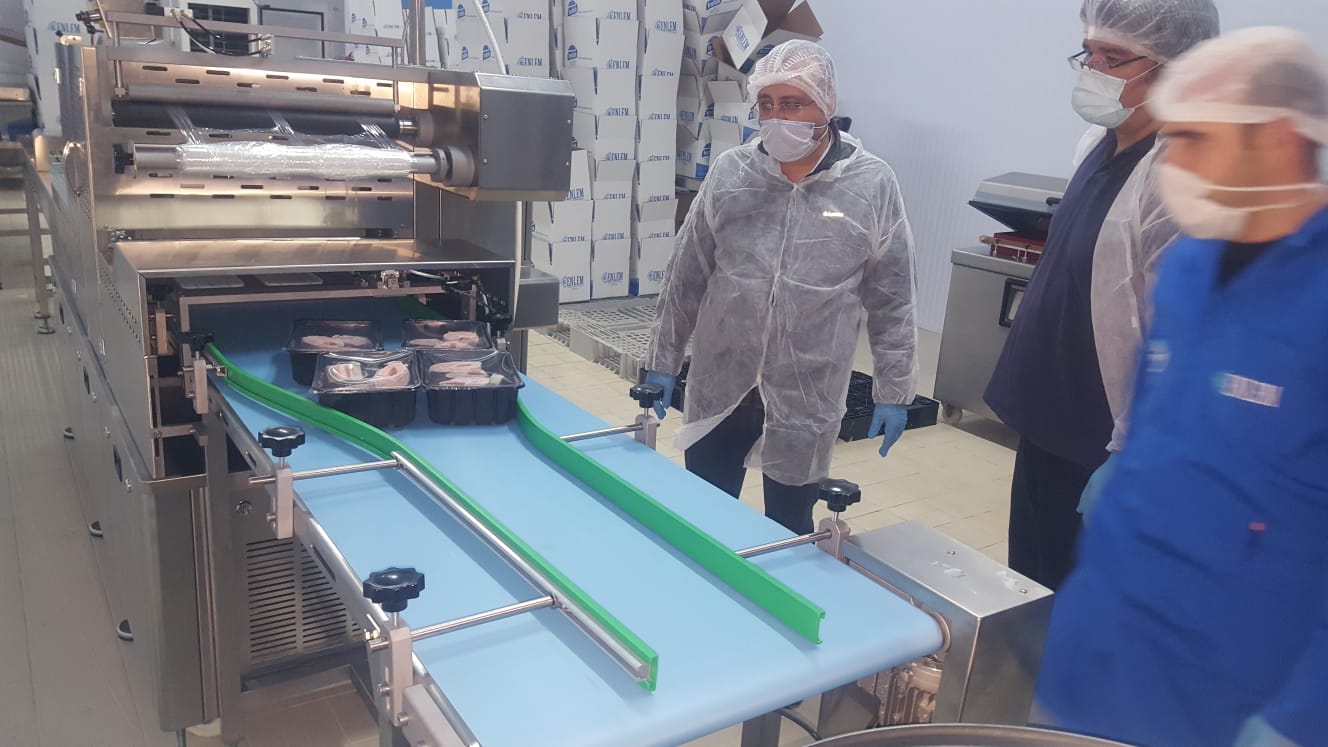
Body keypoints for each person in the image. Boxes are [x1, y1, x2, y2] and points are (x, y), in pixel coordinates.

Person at [1037, 27, 1328, 747]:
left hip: (1233, 682)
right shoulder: (1193, 265)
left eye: (1195, 138)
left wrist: (1302, 717)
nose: (1171, 161)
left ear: (1278, 139)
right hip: (1108, 648)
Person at [983, 0, 1220, 589]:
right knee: (1029, 586)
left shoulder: (1179, 178)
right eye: (1088, 52)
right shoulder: (1100, 143)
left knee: (1075, 600)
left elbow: (1182, 334)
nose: (1092, 70)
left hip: (1100, 435)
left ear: (1176, 67)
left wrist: (1131, 450)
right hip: (1048, 413)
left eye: (1112, 58)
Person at [640, 40, 918, 535]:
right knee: (703, 513)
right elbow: (686, 275)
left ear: (827, 105)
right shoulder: (733, 173)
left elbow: (892, 298)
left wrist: (893, 390)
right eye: (766, 105)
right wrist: (663, 360)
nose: (777, 118)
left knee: (789, 525)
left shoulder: (871, 184)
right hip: (721, 379)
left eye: (793, 104)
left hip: (807, 390)